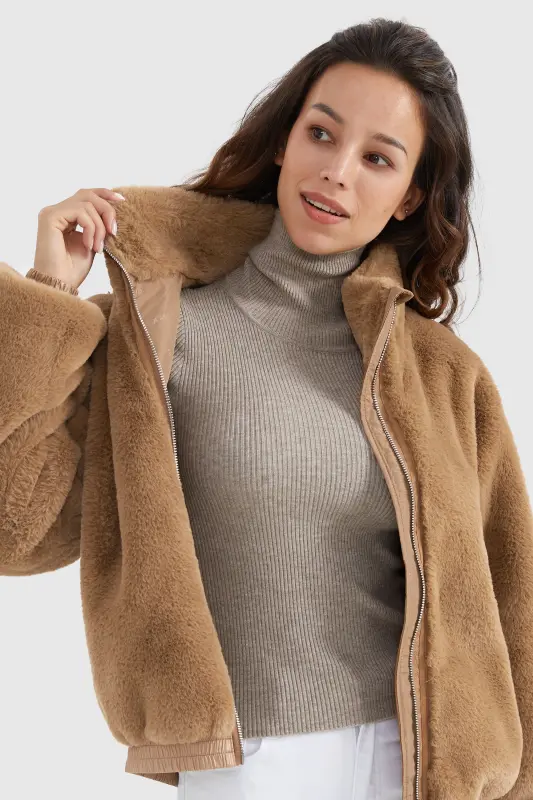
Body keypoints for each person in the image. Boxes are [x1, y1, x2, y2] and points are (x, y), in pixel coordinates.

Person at [1, 16, 532, 800]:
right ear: (284, 141)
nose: (336, 172)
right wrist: (49, 293)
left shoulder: (443, 373)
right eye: (321, 134)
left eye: (377, 158)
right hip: (251, 758)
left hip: (426, 764)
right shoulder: (157, 333)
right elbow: (17, 533)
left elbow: (511, 595)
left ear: (409, 196)